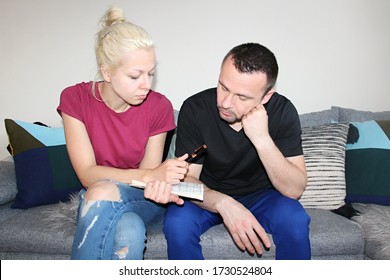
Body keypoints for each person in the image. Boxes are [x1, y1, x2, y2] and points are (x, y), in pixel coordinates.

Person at [57, 7, 188, 260]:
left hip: (142, 198)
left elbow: (146, 181)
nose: (147, 85)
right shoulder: (75, 99)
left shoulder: (158, 106)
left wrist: (153, 176)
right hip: (98, 194)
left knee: (102, 192)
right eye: (135, 76)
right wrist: (151, 174)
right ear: (107, 72)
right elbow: (87, 175)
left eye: (150, 74)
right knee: (128, 230)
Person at [163, 43, 311, 260]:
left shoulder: (282, 111)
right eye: (223, 87)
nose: (225, 102)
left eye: (242, 97)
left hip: (263, 195)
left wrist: (262, 140)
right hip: (208, 194)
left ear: (266, 97)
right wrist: (224, 203)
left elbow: (294, 189)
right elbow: (186, 181)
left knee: (295, 220)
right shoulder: (195, 109)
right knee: (177, 224)